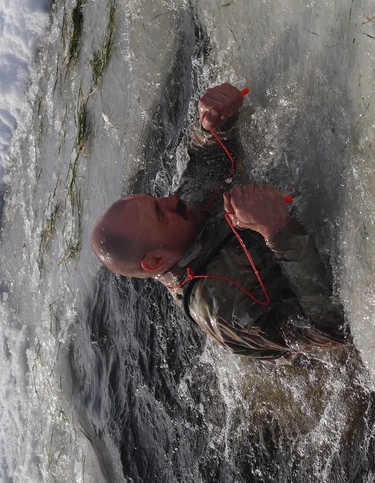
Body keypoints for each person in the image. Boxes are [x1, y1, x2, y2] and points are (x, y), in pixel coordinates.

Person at [90, 83, 347, 359]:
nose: (171, 200)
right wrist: (278, 231)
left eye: (157, 200)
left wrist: (215, 123)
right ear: (154, 261)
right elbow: (331, 329)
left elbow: (210, 160)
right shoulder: (221, 307)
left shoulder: (181, 214)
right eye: (161, 213)